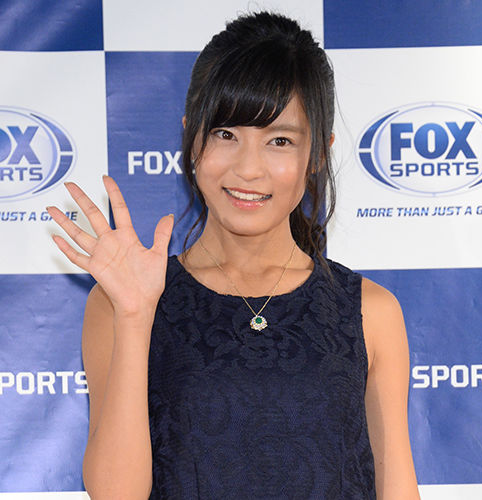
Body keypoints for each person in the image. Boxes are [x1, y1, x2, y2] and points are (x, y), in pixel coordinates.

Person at [47, 11, 420, 500]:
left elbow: (397, 488)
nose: (248, 168)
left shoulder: (371, 311)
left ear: (317, 155)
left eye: (279, 141)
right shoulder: (122, 301)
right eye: (226, 134)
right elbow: (115, 494)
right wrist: (135, 316)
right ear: (191, 138)